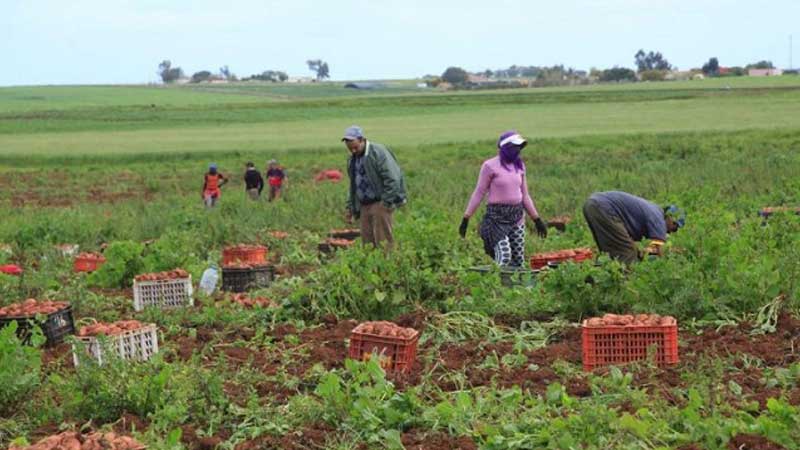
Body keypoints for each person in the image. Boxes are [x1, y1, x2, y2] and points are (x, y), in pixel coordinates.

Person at [459, 130, 547, 267]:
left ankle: (515, 287)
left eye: (520, 147)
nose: (518, 151)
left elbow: (525, 195)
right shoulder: (490, 166)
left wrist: (537, 219)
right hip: (496, 219)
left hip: (517, 217)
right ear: (506, 148)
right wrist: (466, 218)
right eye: (515, 147)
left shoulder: (520, 166)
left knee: (518, 260)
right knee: (505, 256)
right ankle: (496, 286)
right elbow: (479, 192)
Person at [343, 125, 407, 248]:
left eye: (355, 147)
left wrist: (386, 202)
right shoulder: (352, 159)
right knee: (367, 244)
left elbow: (393, 178)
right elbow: (353, 185)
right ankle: (372, 267)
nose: (353, 151)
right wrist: (350, 207)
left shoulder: (378, 152)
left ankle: (387, 266)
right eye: (350, 149)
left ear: (362, 140)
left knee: (383, 242)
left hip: (380, 203)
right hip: (364, 205)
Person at [582, 191, 685, 264]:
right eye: (675, 227)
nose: (672, 232)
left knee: (611, 254)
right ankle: (623, 290)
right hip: (605, 208)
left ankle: (593, 282)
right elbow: (660, 252)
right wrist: (674, 257)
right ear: (670, 218)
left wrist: (641, 252)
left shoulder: (653, 210)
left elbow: (628, 242)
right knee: (627, 257)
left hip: (592, 204)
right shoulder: (658, 218)